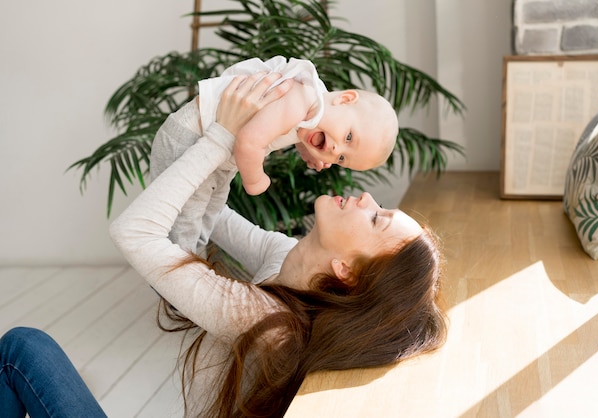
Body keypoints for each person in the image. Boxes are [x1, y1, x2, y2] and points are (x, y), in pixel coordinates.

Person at [0, 73, 446, 418]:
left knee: (21, 348)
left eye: (376, 217)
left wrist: (222, 135)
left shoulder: (268, 323)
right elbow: (214, 219)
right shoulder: (290, 262)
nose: (367, 197)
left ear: (345, 269)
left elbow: (133, 231)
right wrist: (235, 144)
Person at [150, 55, 399, 256]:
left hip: (214, 156)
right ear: (345, 99)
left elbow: (289, 125)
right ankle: (175, 275)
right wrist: (255, 180)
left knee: (209, 214)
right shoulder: (300, 98)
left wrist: (304, 148)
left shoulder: (311, 109)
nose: (336, 151)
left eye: (342, 159)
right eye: (348, 138)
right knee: (186, 223)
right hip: (190, 139)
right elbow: (249, 141)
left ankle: (191, 262)